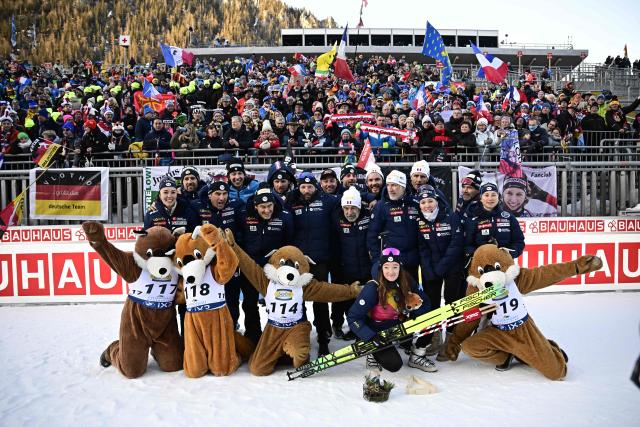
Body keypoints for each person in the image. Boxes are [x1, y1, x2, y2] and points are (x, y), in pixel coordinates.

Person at [347, 247, 436, 372]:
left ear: (400, 267)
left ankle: (417, 355)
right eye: (386, 267)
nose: (391, 272)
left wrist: (416, 311)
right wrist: (370, 336)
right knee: (394, 365)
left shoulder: (407, 280)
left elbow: (425, 302)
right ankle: (372, 353)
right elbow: (353, 317)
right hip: (378, 333)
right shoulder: (373, 288)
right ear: (381, 268)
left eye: (395, 267)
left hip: (399, 327)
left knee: (432, 318)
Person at [285, 172, 339, 356]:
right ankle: (301, 335)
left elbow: (346, 200)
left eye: (310, 187)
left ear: (316, 186)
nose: (307, 190)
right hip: (297, 261)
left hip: (320, 259)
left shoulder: (327, 201)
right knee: (297, 299)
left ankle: (323, 337)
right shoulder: (291, 202)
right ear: (298, 187)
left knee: (320, 299)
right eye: (303, 187)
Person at [237, 185, 294, 343]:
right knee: (249, 302)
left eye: (269, 206)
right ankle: (253, 335)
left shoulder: (285, 216)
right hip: (251, 266)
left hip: (275, 268)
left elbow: (289, 243)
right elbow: (239, 238)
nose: (267, 210)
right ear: (255, 207)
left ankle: (278, 335)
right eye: (262, 207)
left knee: (277, 301)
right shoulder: (243, 215)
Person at [415, 186, 465, 356]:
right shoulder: (419, 221)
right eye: (423, 202)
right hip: (431, 270)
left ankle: (451, 342)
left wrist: (441, 266)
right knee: (433, 306)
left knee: (452, 304)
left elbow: (456, 244)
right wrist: (429, 270)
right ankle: (434, 339)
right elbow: (422, 248)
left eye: (430, 201)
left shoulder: (451, 216)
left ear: (437, 201)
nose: (427, 205)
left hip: (452, 268)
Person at [330, 187, 371, 341]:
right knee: (349, 303)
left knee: (366, 301)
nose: (349, 212)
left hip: (366, 268)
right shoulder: (337, 218)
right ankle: (353, 328)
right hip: (345, 268)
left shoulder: (369, 216)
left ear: (359, 207)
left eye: (353, 208)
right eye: (346, 208)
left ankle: (366, 327)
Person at [367, 170, 420, 281]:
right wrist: (378, 260)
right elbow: (372, 236)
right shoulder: (381, 206)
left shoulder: (415, 203)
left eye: (394, 185)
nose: (390, 189)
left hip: (413, 262)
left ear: (403, 187)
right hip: (391, 264)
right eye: (388, 185)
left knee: (412, 296)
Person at [463, 182, 525, 262]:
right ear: (481, 198)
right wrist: (479, 255)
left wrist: (508, 253)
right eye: (486, 195)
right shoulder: (472, 219)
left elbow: (519, 242)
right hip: (482, 265)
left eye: (493, 195)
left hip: (504, 263)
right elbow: (467, 245)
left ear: (498, 197)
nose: (490, 198)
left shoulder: (509, 218)